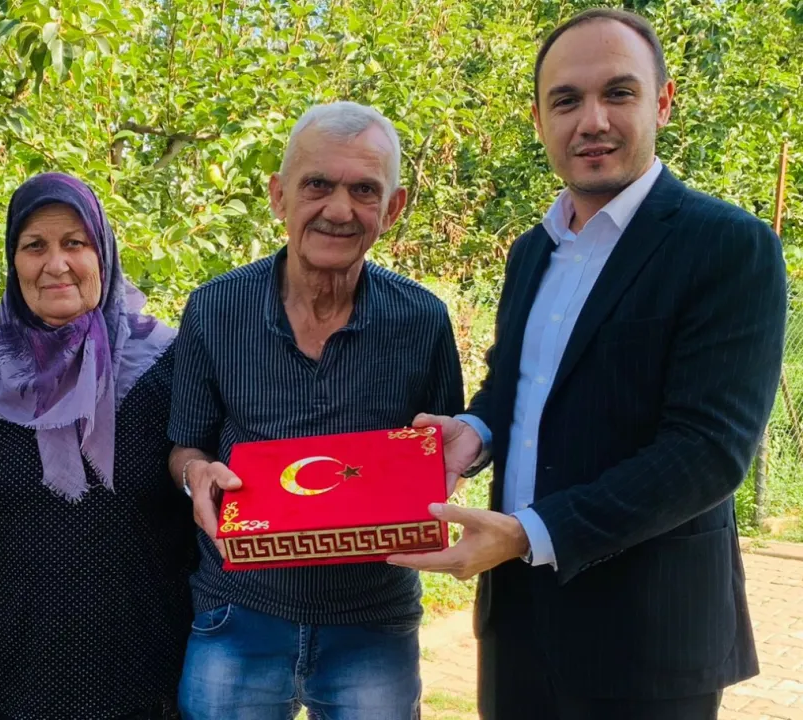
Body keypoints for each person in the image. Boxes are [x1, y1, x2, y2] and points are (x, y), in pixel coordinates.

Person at [390, 8, 786, 720]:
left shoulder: (728, 246)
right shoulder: (531, 251)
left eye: (619, 93)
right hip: (517, 626)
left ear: (662, 102)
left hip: (650, 637)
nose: (592, 121)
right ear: (540, 119)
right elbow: (515, 384)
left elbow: (707, 452)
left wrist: (529, 533)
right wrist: (475, 432)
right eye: (566, 100)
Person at [167, 101, 465, 719]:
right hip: (238, 610)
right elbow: (186, 445)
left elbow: (444, 452)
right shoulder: (214, 309)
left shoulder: (422, 320)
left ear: (393, 208)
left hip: (373, 620)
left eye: (364, 190)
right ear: (279, 196)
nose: (339, 209)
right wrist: (196, 474)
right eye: (318, 185)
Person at [0, 172, 195, 720]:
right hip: (4, 670)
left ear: (103, 253)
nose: (56, 264)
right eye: (34, 246)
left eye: (75, 243)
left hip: (144, 669)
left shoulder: (169, 365)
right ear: (13, 259)